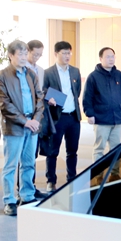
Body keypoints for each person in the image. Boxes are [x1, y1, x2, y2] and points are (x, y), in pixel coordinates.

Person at [0, 40, 44, 216]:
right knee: (11, 165)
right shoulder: (1, 76)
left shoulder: (31, 74)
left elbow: (40, 98)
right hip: (14, 127)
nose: (24, 57)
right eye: (20, 54)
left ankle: (27, 195)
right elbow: (4, 104)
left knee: (29, 163)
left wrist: (36, 119)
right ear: (11, 55)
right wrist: (25, 121)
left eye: (25, 53)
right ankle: (9, 200)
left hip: (33, 125)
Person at [82, 47, 121, 181]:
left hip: (117, 118)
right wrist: (89, 113)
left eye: (113, 56)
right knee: (99, 148)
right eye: (108, 56)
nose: (111, 59)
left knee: (116, 148)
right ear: (101, 58)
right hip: (101, 118)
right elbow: (87, 97)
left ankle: (114, 173)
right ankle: (98, 174)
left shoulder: (119, 74)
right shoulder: (93, 76)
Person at [42, 41, 82, 191]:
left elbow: (77, 91)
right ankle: (51, 181)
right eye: (64, 53)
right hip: (57, 117)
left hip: (73, 116)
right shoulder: (48, 72)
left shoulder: (75, 71)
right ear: (56, 54)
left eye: (69, 53)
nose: (67, 56)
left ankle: (71, 178)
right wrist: (49, 98)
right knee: (53, 151)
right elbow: (43, 91)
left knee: (72, 150)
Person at [25, 40, 47, 198]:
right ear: (27, 51)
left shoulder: (41, 71)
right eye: (35, 54)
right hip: (25, 117)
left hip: (38, 116)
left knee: (33, 155)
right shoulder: (21, 69)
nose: (37, 57)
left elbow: (42, 92)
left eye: (40, 55)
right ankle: (23, 188)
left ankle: (31, 186)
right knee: (24, 157)